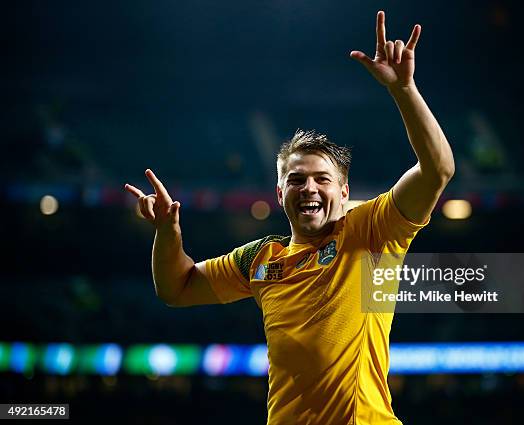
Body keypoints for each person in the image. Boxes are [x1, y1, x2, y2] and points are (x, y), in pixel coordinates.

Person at [125, 11, 454, 425]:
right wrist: (167, 232)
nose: (309, 188)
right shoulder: (260, 259)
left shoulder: (372, 232)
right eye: (296, 180)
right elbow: (176, 288)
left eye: (323, 179)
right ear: (280, 193)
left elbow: (437, 170)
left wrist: (404, 89)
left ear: (345, 191)